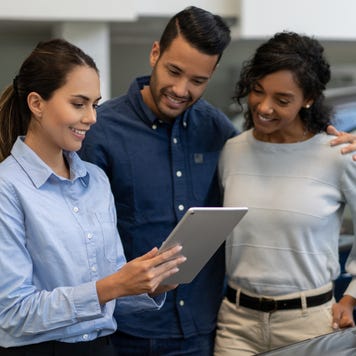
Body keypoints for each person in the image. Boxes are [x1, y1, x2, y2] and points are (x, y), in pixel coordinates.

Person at [0, 38, 186, 355]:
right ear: (36, 103)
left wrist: (149, 285)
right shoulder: (7, 187)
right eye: (78, 104)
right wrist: (112, 286)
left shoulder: (96, 180)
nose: (92, 118)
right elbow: (13, 313)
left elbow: (109, 292)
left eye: (95, 104)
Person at [79, 6, 236, 355]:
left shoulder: (218, 129)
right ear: (154, 53)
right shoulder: (100, 131)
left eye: (198, 81)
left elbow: (268, 166)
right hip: (125, 333)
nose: (181, 89)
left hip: (201, 330)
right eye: (174, 71)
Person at [214, 31, 356, 355]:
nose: (263, 108)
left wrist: (351, 296)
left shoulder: (336, 155)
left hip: (309, 324)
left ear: (308, 99)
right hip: (237, 325)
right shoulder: (232, 152)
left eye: (282, 100)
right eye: (258, 91)